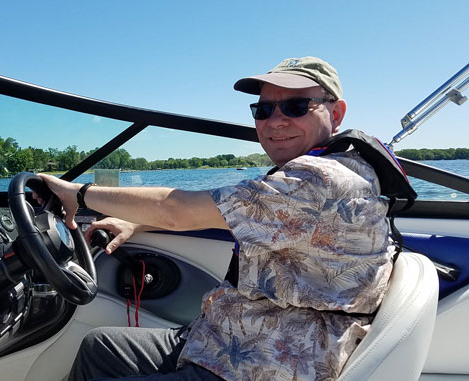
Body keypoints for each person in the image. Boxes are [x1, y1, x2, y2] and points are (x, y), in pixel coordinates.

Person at [34, 57, 394, 380]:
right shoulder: (323, 172)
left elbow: (177, 210)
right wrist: (138, 223)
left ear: (336, 113)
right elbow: (229, 213)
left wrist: (78, 194)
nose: (276, 121)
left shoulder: (321, 179)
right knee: (102, 347)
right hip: (234, 340)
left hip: (265, 366)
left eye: (297, 105)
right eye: (264, 109)